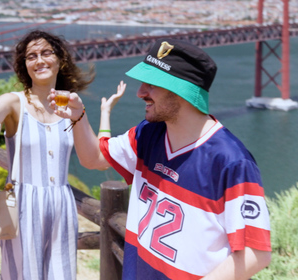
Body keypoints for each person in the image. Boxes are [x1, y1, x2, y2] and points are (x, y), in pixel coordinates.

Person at [56, 39, 272, 280]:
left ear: (182, 90)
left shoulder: (231, 161)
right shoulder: (148, 133)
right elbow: (94, 158)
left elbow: (256, 253)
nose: (140, 92)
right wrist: (78, 116)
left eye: (152, 84)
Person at [0, 30, 95, 280]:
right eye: (31, 56)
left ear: (60, 60)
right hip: (24, 204)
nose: (39, 60)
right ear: (24, 66)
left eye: (46, 53)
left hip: (63, 202)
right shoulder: (14, 102)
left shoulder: (70, 104)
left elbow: (91, 153)